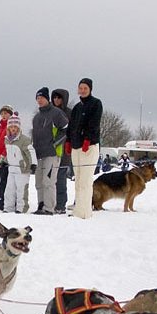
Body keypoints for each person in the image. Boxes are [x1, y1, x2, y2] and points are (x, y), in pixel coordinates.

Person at [67, 77, 103, 219]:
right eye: (80, 88)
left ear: (90, 89)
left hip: (89, 146)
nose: (82, 91)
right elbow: (71, 126)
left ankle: (84, 212)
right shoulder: (77, 107)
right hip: (76, 146)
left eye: (85, 88)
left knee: (86, 181)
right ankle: (79, 208)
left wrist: (88, 139)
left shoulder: (96, 104)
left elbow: (94, 123)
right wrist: (69, 141)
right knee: (78, 179)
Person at [31, 87, 68, 215]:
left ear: (47, 99)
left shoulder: (56, 113)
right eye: (37, 98)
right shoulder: (36, 117)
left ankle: (49, 208)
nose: (39, 100)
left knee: (49, 181)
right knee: (39, 181)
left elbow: (65, 130)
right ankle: (41, 205)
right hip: (39, 154)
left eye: (41, 98)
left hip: (52, 153)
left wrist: (55, 143)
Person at [2, 114, 33, 213]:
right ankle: (8, 208)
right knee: (9, 190)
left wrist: (33, 164)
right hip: (12, 170)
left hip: (22, 169)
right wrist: (4, 161)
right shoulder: (7, 140)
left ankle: (21, 208)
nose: (13, 129)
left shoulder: (24, 140)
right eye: (11, 127)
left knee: (21, 190)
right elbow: (10, 154)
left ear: (18, 128)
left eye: (15, 127)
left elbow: (31, 152)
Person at [51, 88, 73, 213]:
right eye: (54, 97)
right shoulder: (50, 112)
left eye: (59, 98)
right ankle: (51, 203)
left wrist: (56, 143)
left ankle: (60, 205)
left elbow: (68, 131)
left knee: (60, 179)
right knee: (50, 181)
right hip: (49, 152)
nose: (56, 100)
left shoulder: (69, 113)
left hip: (64, 151)